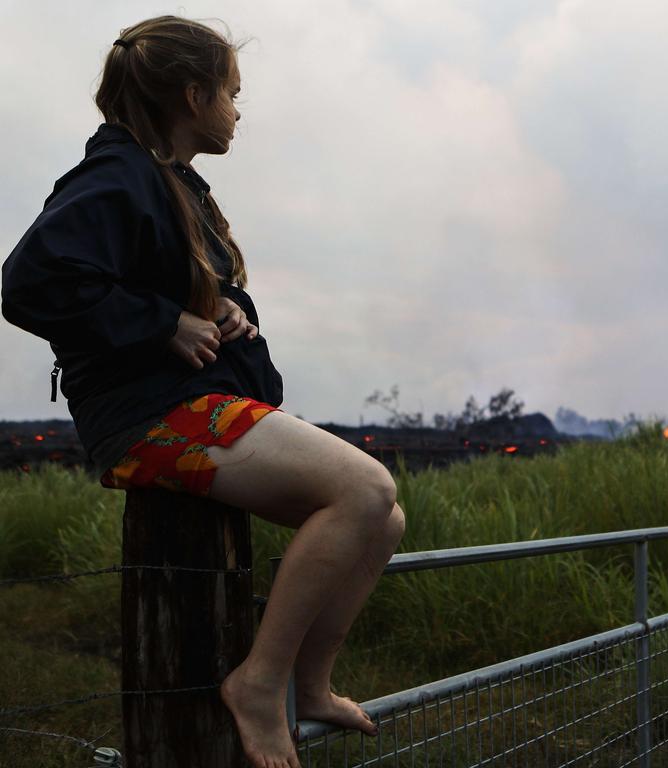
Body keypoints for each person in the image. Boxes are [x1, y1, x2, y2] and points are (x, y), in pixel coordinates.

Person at [1, 15, 405, 768]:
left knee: (383, 519)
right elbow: (27, 283)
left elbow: (179, 295)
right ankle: (259, 683)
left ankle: (310, 684)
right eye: (232, 93)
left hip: (188, 405)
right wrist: (163, 325)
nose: (239, 111)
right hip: (149, 420)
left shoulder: (172, 183)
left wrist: (223, 311)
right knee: (364, 488)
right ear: (193, 95)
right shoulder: (113, 177)